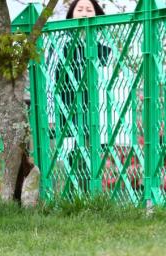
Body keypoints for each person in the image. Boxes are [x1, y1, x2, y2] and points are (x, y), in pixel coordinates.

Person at [54, 0, 111, 193]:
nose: (85, 13)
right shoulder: (62, 44)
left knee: (95, 155)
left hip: (97, 113)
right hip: (71, 111)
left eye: (89, 9)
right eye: (80, 9)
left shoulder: (104, 48)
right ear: (71, 15)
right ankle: (74, 195)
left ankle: (92, 195)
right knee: (73, 155)